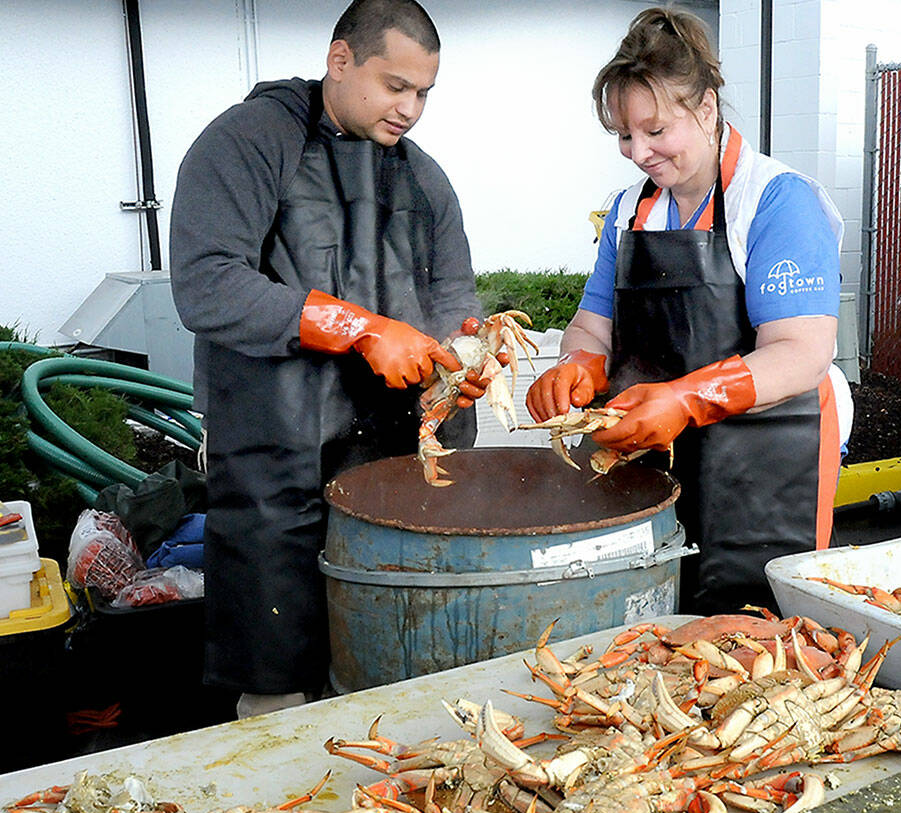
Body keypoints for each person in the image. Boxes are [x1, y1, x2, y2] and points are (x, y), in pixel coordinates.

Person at [170, 0, 485, 717]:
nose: (410, 108)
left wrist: (460, 363)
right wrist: (361, 327)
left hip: (396, 453)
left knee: (397, 660)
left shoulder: (425, 177)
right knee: (278, 672)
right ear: (340, 61)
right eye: (394, 85)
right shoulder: (245, 141)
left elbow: (455, 297)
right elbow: (206, 283)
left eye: (424, 93)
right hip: (270, 450)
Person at [526, 6, 851, 615]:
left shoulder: (777, 201)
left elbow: (801, 353)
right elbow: (593, 323)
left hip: (769, 455)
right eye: (625, 134)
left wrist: (684, 399)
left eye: (655, 131)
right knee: (650, 614)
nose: (637, 152)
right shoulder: (628, 211)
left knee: (750, 628)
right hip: (654, 449)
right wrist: (579, 366)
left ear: (705, 110)